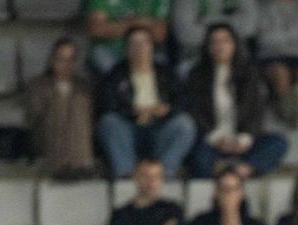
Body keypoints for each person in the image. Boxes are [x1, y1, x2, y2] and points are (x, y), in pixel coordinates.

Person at [184, 23, 289, 179]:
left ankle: (236, 171)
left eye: (225, 41)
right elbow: (194, 112)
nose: (220, 46)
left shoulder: (250, 74)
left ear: (234, 44)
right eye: (214, 42)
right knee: (197, 157)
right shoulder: (196, 76)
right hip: (212, 142)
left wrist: (244, 138)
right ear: (207, 46)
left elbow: (256, 111)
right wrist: (215, 138)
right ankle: (232, 173)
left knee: (278, 143)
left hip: (242, 142)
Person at [96, 26, 198, 179]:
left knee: (185, 125)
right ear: (127, 49)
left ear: (152, 47)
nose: (140, 48)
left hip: (160, 128)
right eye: (134, 44)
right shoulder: (115, 74)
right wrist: (132, 111)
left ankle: (162, 175)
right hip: (129, 128)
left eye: (144, 43)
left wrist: (167, 110)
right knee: (109, 122)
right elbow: (107, 104)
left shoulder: (167, 73)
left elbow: (183, 101)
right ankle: (126, 175)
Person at [26, 37, 96, 179]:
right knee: (58, 109)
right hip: (49, 139)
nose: (66, 65)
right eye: (61, 59)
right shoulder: (38, 86)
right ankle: (65, 163)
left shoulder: (85, 88)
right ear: (52, 61)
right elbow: (35, 118)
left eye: (71, 60)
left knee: (77, 109)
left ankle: (78, 162)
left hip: (79, 141)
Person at [257, 0, 298, 127]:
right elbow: (265, 38)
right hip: (273, 55)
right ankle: (290, 111)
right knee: (280, 73)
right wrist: (297, 37)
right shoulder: (265, 7)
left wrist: (285, 38)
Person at [171, 0, 258, 73]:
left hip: (238, 58)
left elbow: (249, 26)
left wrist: (204, 21)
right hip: (195, 59)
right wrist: (231, 20)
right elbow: (186, 35)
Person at [85, 0, 171, 74]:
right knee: (103, 59)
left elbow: (160, 34)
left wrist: (119, 26)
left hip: (146, 49)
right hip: (111, 50)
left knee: (162, 66)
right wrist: (137, 23)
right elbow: (97, 29)